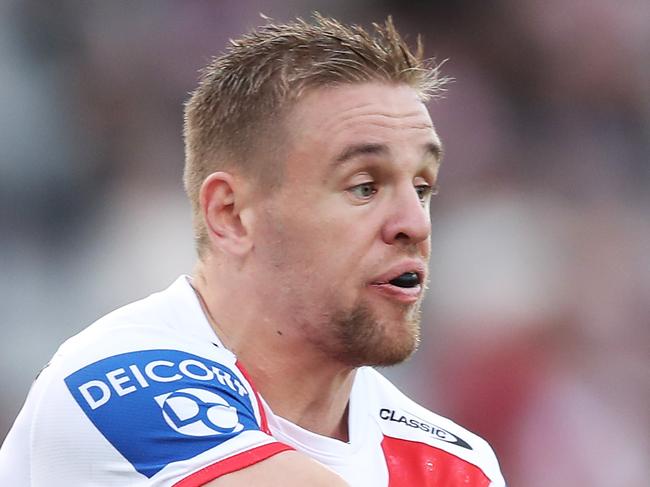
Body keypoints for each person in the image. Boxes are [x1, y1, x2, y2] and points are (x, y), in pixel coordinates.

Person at [0, 14, 505, 486]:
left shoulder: (454, 463)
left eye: (422, 187)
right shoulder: (115, 384)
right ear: (231, 214)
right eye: (364, 186)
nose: (414, 224)